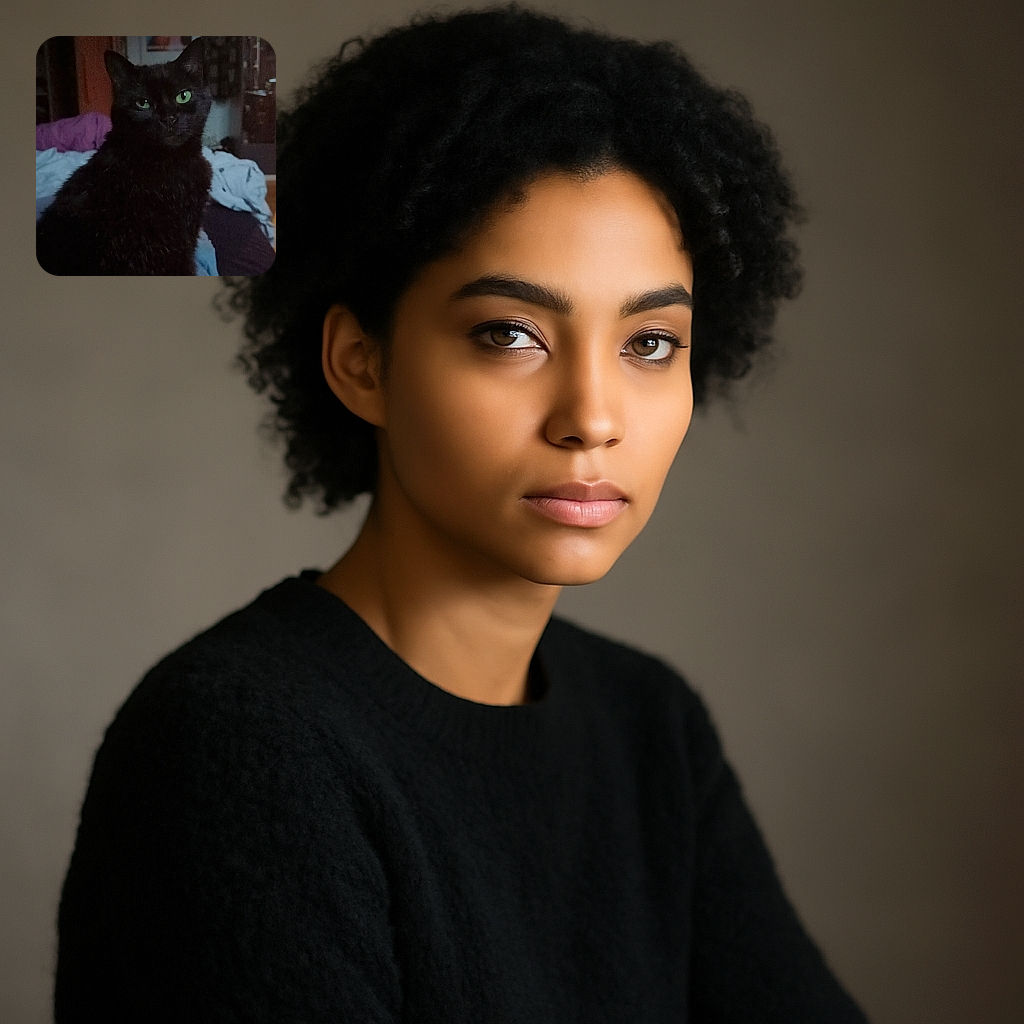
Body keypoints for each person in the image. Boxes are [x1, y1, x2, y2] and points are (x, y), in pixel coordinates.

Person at [55, 6, 868, 1021]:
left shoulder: (649, 726)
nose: (592, 418)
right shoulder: (236, 742)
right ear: (362, 363)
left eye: (650, 343)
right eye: (509, 334)